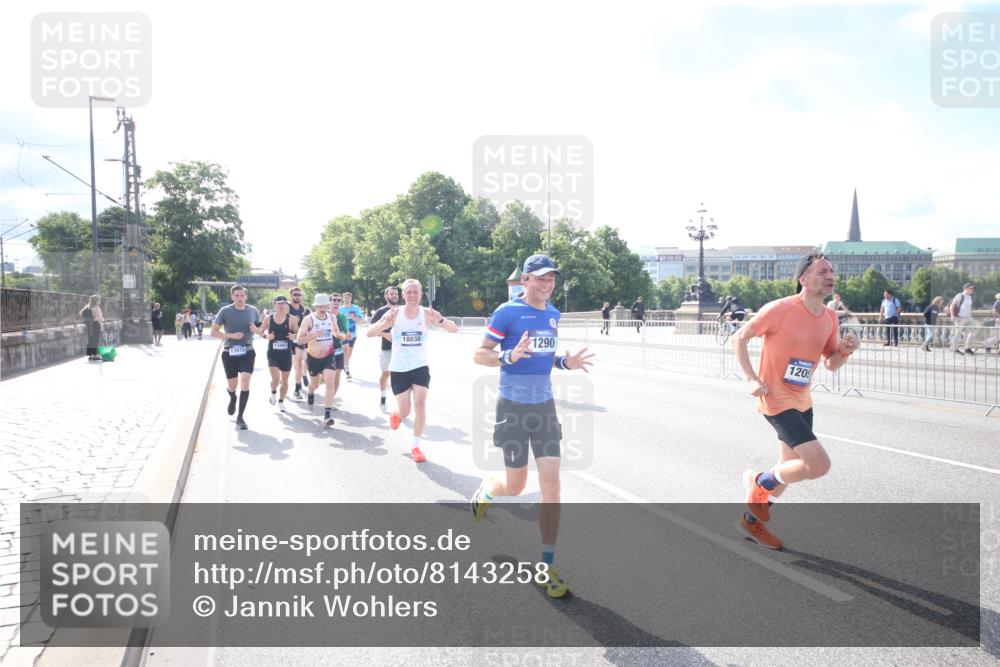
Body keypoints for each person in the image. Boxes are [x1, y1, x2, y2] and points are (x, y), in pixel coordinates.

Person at [468, 254, 595, 599]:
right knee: (515, 485)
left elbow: (544, 358)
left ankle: (546, 566)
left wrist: (564, 363)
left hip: (545, 409)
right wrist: (508, 356)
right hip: (512, 408)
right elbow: (480, 354)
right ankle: (489, 489)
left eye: (550, 278)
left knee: (551, 485)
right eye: (539, 278)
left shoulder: (552, 315)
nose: (547, 283)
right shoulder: (507, 312)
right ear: (524, 280)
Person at [732, 253, 859, 549]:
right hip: (775, 398)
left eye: (832, 271)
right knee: (818, 465)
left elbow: (831, 363)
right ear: (803, 278)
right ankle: (759, 482)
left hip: (803, 400)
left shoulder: (830, 316)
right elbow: (740, 337)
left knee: (788, 469)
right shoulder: (780, 309)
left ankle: (750, 523)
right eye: (821, 271)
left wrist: (846, 351)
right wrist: (751, 378)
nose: (829, 276)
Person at [366, 278, 459, 462]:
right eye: (408, 292)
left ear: (421, 294)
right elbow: (370, 333)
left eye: (415, 291)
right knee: (406, 410)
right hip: (399, 368)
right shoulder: (395, 313)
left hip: (420, 366)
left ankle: (416, 446)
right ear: (403, 294)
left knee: (421, 403)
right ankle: (397, 414)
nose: (412, 295)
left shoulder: (427, 314)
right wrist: (385, 324)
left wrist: (440, 318)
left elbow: (454, 329)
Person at [211, 285, 262, 430]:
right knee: (233, 385)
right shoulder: (225, 311)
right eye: (237, 295)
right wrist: (231, 336)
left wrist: (257, 330)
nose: (240, 298)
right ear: (232, 296)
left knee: (245, 382)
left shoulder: (253, 311)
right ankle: (233, 396)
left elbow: (259, 330)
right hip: (229, 352)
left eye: (242, 295)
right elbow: (214, 332)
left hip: (247, 351)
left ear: (246, 296)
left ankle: (240, 417)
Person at [297, 294, 342, 427]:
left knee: (330, 382)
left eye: (325, 306)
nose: (323, 309)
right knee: (315, 384)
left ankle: (327, 415)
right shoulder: (308, 319)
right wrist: (313, 335)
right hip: (313, 357)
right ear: (315, 306)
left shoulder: (332, 317)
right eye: (320, 306)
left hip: (329, 355)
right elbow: (299, 339)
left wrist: (340, 335)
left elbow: (336, 333)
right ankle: (310, 391)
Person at [260, 296, 299, 412]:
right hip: (273, 353)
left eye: (284, 303)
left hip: (287, 354)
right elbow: (261, 331)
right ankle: (273, 392)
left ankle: (281, 401)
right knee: (276, 379)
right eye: (279, 303)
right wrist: (267, 336)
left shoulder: (292, 319)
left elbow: (298, 332)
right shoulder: (269, 318)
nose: (281, 306)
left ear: (287, 305)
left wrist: (294, 336)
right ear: (274, 304)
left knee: (285, 380)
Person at [370, 285, 401, 410]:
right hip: (387, 348)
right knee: (386, 373)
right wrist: (384, 334)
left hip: (402, 350)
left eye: (396, 294)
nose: (395, 296)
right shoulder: (381, 311)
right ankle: (383, 397)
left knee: (400, 376)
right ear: (386, 296)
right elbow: (371, 330)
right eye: (392, 294)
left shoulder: (403, 310)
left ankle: (401, 404)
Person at [287, 288, 311, 399]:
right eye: (295, 294)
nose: (297, 296)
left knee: (299, 362)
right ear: (291, 295)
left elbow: (312, 323)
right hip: (288, 338)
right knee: (293, 363)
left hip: (300, 339)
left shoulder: (305, 309)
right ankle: (303, 374)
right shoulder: (287, 307)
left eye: (299, 294)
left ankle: (297, 388)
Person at [338, 291, 365, 379]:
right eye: (345, 297)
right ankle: (347, 370)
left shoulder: (355, 308)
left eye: (348, 298)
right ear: (343, 298)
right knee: (345, 349)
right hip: (343, 333)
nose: (347, 299)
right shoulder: (340, 309)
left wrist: (355, 318)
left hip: (353, 333)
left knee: (349, 352)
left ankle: (345, 364)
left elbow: (361, 320)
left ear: (351, 298)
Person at [950, 283, 977, 355]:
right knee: (958, 333)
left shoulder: (970, 296)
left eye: (972, 288)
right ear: (966, 289)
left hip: (968, 317)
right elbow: (953, 305)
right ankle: (955, 349)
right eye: (971, 288)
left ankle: (967, 348)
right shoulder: (960, 295)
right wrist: (953, 315)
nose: (972, 289)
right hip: (960, 317)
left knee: (974, 330)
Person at [80, 295, 105, 361]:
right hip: (95, 325)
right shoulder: (97, 308)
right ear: (97, 301)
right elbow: (99, 318)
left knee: (90, 340)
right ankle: (95, 355)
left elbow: (81, 313)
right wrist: (101, 327)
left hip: (89, 325)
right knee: (95, 340)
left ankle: (90, 355)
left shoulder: (87, 307)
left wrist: (89, 319)